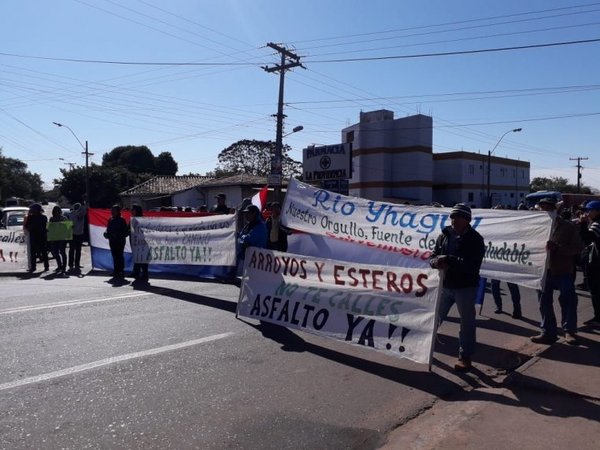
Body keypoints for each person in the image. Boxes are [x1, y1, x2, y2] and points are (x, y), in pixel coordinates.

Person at [430, 203, 485, 372]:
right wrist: (436, 261)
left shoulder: (475, 239)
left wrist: (450, 260)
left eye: (458, 217)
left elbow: (472, 265)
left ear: (467, 220)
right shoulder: (444, 235)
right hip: (445, 285)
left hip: (465, 287)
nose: (454, 220)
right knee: (434, 318)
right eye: (452, 216)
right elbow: (432, 255)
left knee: (466, 323)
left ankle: (465, 357)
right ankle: (426, 348)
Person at [532, 197, 584, 345]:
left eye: (548, 207)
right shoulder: (534, 227)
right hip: (542, 271)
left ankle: (569, 331)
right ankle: (548, 332)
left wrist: (558, 248)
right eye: (542, 207)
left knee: (568, 300)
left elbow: (578, 247)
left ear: (555, 209)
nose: (545, 210)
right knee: (544, 303)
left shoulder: (567, 227)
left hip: (563, 270)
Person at [579, 200, 600, 325]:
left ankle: (598, 317)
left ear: (597, 211)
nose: (587, 213)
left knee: (595, 290)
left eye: (590, 210)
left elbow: (587, 238)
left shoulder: (597, 224)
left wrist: (582, 224)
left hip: (597, 263)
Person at [103, 205, 129, 278]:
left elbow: (125, 232)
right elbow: (108, 229)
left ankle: (121, 270)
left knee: (119, 255)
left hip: (120, 241)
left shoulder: (122, 220)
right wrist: (106, 234)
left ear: (118, 211)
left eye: (114, 211)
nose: (112, 212)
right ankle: (116, 270)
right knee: (114, 256)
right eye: (112, 210)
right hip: (112, 241)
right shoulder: (110, 219)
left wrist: (117, 235)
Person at [23, 203, 49, 273]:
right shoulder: (31, 217)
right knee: (36, 253)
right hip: (36, 236)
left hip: (39, 236)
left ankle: (45, 267)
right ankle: (38, 267)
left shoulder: (42, 217)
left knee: (42, 252)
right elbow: (26, 226)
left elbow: (46, 227)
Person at [130, 204, 149, 283]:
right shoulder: (132, 220)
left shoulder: (142, 220)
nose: (131, 211)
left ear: (137, 211)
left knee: (143, 258)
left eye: (133, 209)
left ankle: (145, 273)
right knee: (136, 257)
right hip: (135, 242)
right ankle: (136, 272)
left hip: (142, 242)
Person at [48, 205, 69, 274]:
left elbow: (68, 227)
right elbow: (49, 228)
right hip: (54, 238)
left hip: (62, 238)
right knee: (55, 253)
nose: (56, 212)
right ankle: (59, 266)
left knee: (62, 252)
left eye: (57, 211)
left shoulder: (64, 218)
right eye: (55, 211)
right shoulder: (51, 219)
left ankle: (64, 268)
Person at [67, 202, 87, 272]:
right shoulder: (79, 213)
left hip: (76, 234)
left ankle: (73, 265)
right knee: (76, 250)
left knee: (73, 250)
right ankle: (75, 265)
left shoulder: (70, 214)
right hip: (76, 234)